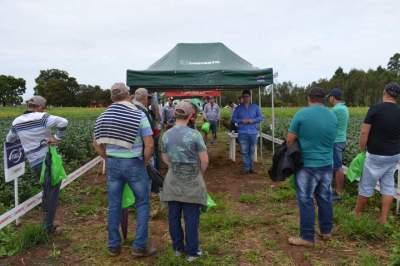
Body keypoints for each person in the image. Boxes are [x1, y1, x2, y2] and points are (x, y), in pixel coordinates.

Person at [93, 83, 156, 257]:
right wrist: (144, 162)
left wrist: (107, 158)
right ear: (128, 95)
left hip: (113, 164)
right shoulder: (138, 114)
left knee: (114, 205)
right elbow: (149, 144)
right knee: (142, 203)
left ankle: (113, 245)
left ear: (112, 97)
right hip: (134, 163)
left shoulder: (102, 116)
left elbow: (96, 144)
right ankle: (139, 246)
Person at [6, 96, 68, 235]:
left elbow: (9, 139)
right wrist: (57, 138)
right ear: (40, 107)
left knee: (46, 190)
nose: (44, 110)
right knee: (52, 192)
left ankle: (46, 222)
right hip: (47, 160)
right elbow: (64, 122)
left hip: (33, 161)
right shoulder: (42, 117)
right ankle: (48, 227)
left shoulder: (17, 121)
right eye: (44, 107)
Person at [286, 88, 337, 247]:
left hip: (307, 165)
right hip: (327, 164)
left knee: (306, 200)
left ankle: (307, 237)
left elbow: (290, 140)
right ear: (323, 99)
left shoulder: (302, 114)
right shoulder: (332, 115)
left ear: (309, 98)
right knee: (325, 198)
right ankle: (326, 231)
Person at [160, 101, 209, 262]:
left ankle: (177, 248)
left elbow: (164, 158)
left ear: (174, 115)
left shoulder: (166, 135)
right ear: (191, 116)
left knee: (173, 216)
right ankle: (192, 252)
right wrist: (198, 173)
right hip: (192, 181)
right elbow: (204, 161)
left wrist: (174, 167)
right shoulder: (195, 135)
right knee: (191, 218)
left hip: (172, 180)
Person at [355, 82, 400, 224]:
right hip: (394, 155)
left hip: (376, 154)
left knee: (366, 185)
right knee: (388, 185)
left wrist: (362, 149)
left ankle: (356, 214)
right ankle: (383, 219)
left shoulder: (376, 109)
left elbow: (364, 131)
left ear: (385, 92)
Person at [231, 90, 264, 174]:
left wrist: (252, 120)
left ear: (250, 97)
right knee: (244, 150)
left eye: (247, 96)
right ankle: (246, 168)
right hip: (242, 132)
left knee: (252, 150)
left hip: (253, 132)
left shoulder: (255, 107)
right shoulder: (238, 108)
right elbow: (233, 118)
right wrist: (242, 121)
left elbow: (261, 117)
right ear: (242, 97)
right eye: (244, 96)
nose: (246, 98)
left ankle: (251, 168)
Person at [327, 88, 349, 201]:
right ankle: (335, 190)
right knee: (336, 166)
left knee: (337, 167)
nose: (328, 99)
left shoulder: (335, 110)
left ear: (333, 97)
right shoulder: (344, 108)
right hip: (341, 140)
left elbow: (327, 125)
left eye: (329, 97)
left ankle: (339, 192)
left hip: (335, 141)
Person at [133, 88, 160, 170]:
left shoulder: (132, 108)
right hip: (143, 148)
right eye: (148, 98)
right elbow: (148, 139)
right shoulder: (142, 111)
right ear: (145, 98)